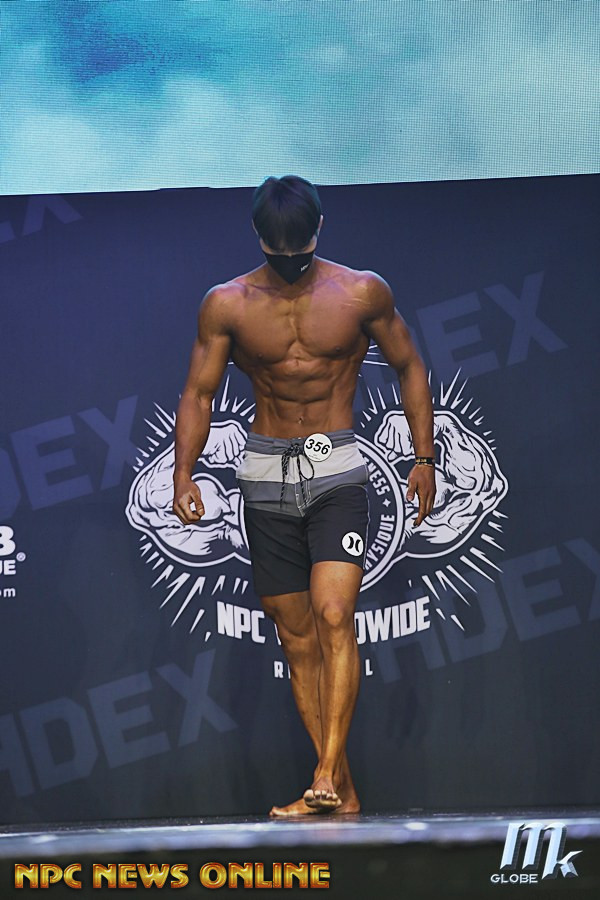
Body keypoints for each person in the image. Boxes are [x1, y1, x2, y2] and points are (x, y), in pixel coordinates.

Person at [172, 175, 436, 816]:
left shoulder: (362, 292)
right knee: (296, 639)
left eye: (300, 247)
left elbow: (409, 366)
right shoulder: (227, 305)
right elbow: (199, 393)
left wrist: (424, 458)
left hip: (336, 469)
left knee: (335, 615)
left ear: (320, 228)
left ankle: (322, 771)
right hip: (265, 476)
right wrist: (183, 474)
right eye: (278, 249)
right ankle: (339, 790)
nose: (290, 260)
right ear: (258, 236)